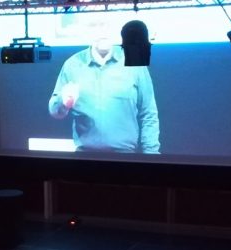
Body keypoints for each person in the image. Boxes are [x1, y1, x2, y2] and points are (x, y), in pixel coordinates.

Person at [48, 17, 159, 154]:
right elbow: (55, 111)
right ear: (86, 32)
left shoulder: (133, 61)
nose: (102, 32)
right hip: (85, 157)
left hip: (126, 157)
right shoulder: (73, 64)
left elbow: (148, 113)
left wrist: (151, 155)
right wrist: (63, 102)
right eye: (95, 26)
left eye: (105, 26)